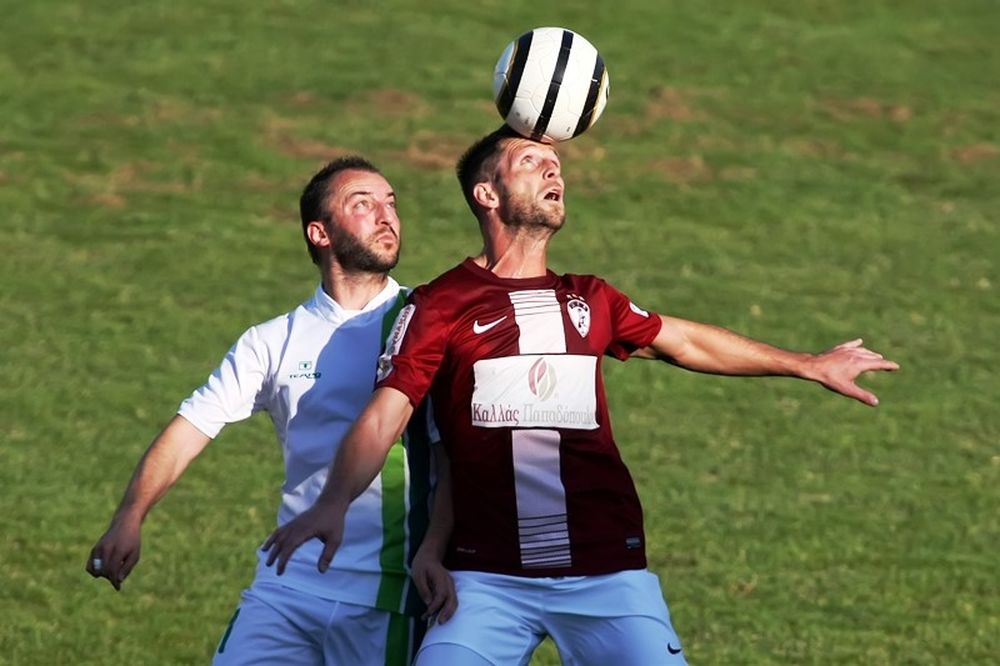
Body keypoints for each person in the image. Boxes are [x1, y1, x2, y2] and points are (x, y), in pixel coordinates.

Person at [261, 126, 900, 665]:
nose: (553, 170)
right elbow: (390, 416)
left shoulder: (589, 299)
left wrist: (807, 364)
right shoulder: (436, 305)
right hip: (483, 582)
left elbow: (685, 342)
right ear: (487, 194)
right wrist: (335, 504)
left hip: (608, 573)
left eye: (557, 163)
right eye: (531, 161)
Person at [86, 155, 455, 666]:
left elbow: (454, 454)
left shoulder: (425, 322)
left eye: (391, 202)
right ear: (319, 233)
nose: (386, 215)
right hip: (287, 583)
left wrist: (437, 548)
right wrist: (130, 516)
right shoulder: (271, 341)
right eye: (363, 203)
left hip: (385, 595)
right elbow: (189, 429)